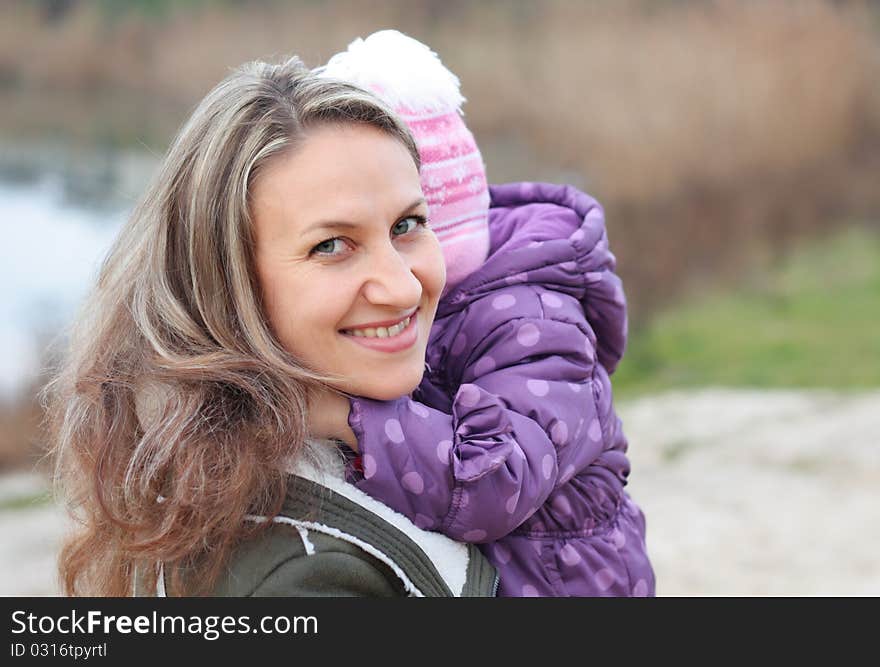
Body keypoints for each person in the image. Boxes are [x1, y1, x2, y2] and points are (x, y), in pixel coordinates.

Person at [43, 55, 498, 597]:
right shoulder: (300, 580)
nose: (402, 287)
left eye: (408, 225)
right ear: (226, 284)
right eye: (331, 246)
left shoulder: (239, 461)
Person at [311, 30, 656, 596]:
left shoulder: (535, 320)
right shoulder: (459, 302)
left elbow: (496, 483)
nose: (389, 288)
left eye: (405, 230)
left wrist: (342, 417)